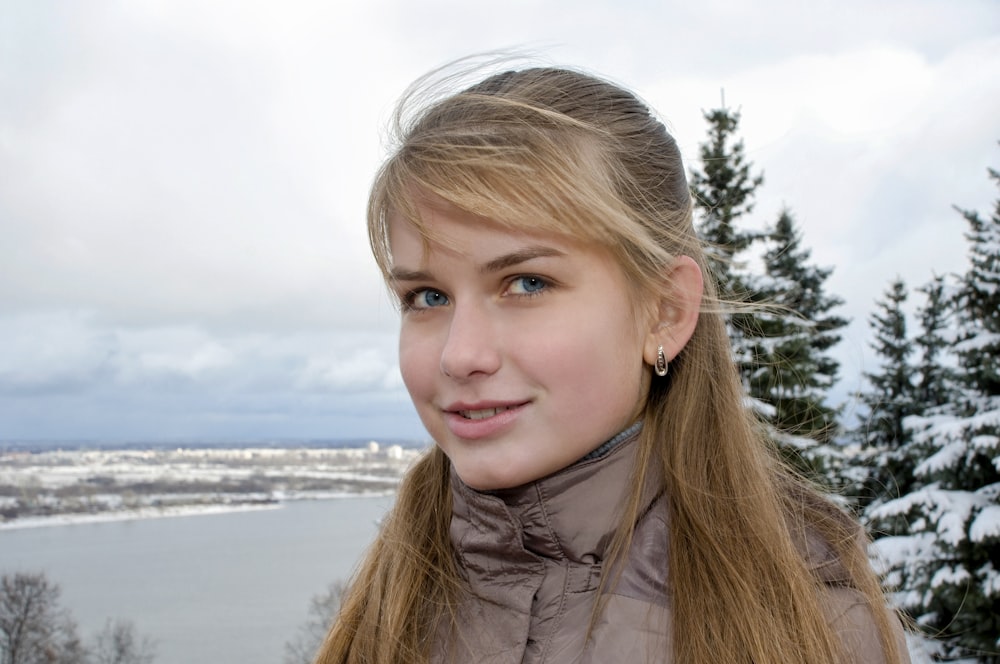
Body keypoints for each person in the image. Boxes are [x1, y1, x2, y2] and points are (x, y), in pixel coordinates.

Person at [315, 64, 910, 664]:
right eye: (428, 297)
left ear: (665, 311)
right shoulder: (392, 604)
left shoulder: (805, 625)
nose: (460, 355)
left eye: (526, 282)